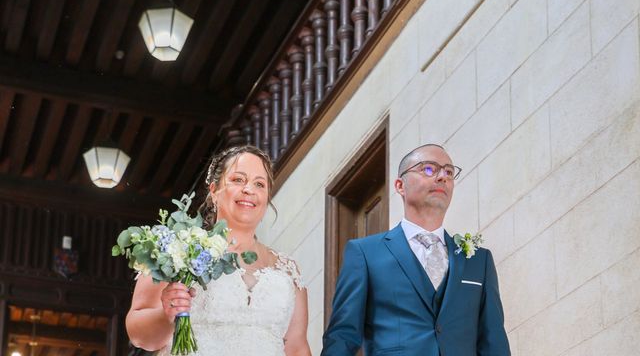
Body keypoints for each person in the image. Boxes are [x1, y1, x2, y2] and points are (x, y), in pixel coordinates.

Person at [322, 144, 510, 356]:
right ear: (400, 185)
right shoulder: (365, 253)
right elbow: (343, 335)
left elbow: (494, 340)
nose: (442, 177)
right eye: (428, 169)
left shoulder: (479, 260)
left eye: (449, 172)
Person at [126, 145, 312, 356]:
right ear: (214, 191)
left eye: (259, 184)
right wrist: (166, 315)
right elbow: (138, 335)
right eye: (238, 180)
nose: (249, 190)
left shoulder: (287, 271)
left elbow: (297, 347)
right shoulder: (176, 250)